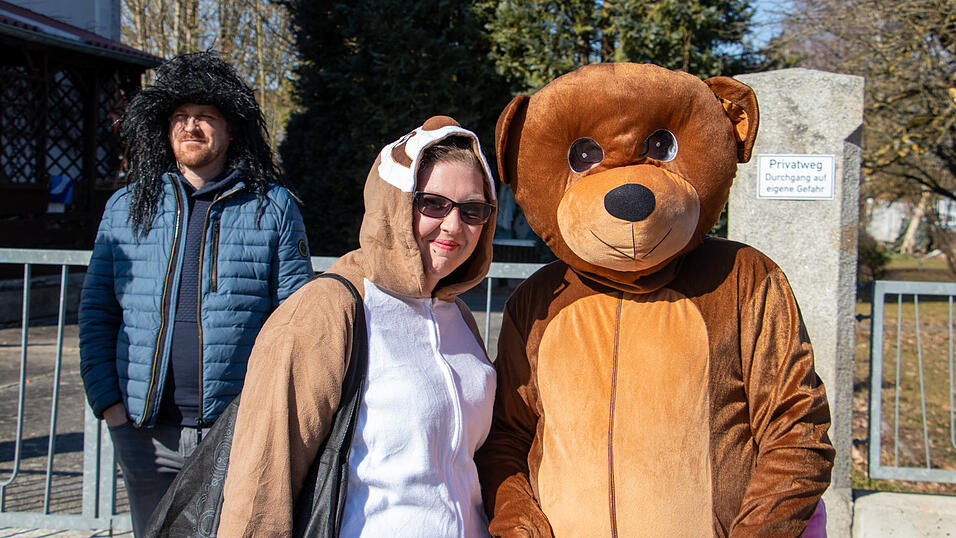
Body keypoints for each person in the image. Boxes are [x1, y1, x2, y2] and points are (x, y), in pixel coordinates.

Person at [219, 115, 497, 536]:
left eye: (473, 210)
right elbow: (261, 485)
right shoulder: (329, 310)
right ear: (396, 202)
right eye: (433, 203)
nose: (454, 226)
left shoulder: (457, 316)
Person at [78, 51, 314, 537]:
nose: (191, 127)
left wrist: (267, 416)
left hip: (237, 431)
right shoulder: (127, 207)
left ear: (231, 130)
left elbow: (297, 324)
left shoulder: (273, 208)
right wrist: (111, 409)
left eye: (205, 117)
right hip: (143, 433)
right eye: (181, 118)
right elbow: (97, 314)